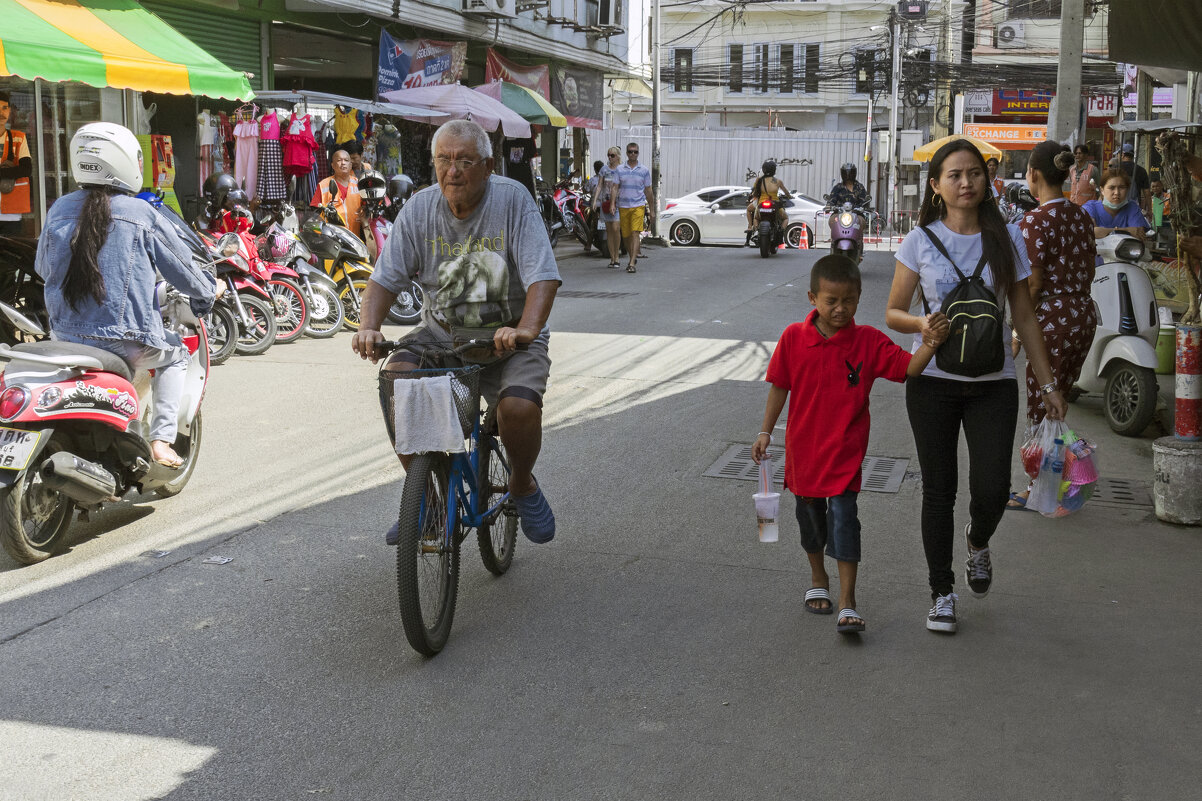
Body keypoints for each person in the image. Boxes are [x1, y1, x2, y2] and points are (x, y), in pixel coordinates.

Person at [885, 138, 1067, 635]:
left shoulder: (1006, 239)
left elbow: (1025, 316)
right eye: (955, 175)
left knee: (991, 489)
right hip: (933, 384)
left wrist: (1048, 383)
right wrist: (922, 325)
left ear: (986, 181)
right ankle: (941, 591)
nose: (966, 183)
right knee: (938, 491)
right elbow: (893, 311)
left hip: (993, 384)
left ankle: (978, 539)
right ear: (936, 186)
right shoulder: (918, 240)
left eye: (974, 174)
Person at [351, 119, 562, 545]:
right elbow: (384, 279)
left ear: (487, 165)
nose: (453, 170)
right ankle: (426, 500)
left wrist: (526, 330)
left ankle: (521, 484)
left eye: (465, 161)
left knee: (518, 410)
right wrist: (369, 327)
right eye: (444, 160)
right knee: (397, 378)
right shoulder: (419, 209)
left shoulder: (512, 200)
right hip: (442, 333)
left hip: (508, 336)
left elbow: (544, 276)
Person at [752, 255, 947, 635]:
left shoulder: (868, 342)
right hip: (803, 455)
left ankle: (847, 600)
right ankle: (817, 576)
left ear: (859, 298)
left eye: (849, 301)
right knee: (810, 523)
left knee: (844, 522)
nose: (841, 309)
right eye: (831, 301)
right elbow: (780, 386)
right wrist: (765, 431)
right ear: (812, 298)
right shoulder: (794, 337)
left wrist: (932, 342)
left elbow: (908, 369)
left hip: (845, 455)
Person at [34, 123, 216, 468]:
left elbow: (44, 268)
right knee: (176, 354)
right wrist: (208, 292)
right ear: (126, 163)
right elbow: (185, 270)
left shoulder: (59, 208)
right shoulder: (141, 213)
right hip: (125, 342)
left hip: (64, 336)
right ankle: (162, 440)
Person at [1007, 142, 1099, 510]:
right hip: (1083, 315)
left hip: (1051, 320)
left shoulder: (1034, 221)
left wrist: (1017, 331)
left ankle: (1039, 487)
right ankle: (1054, 479)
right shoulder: (1081, 216)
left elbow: (1031, 283)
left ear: (1034, 175)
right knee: (1058, 399)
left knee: (1041, 401)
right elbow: (1090, 267)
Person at [1081, 169, 1149, 243]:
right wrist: (1127, 230)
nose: (1117, 192)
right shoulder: (1090, 207)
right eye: (1111, 188)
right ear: (1102, 190)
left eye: (1122, 187)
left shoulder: (1132, 207)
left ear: (1128, 190)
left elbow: (1139, 234)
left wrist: (1104, 231)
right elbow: (1091, 233)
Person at [616, 141, 653, 273]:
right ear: (626, 153)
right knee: (626, 235)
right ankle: (632, 255)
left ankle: (632, 263)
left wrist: (652, 211)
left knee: (635, 233)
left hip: (638, 205)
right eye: (630, 152)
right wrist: (612, 204)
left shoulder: (644, 170)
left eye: (635, 152)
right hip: (623, 205)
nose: (633, 154)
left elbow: (648, 190)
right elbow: (615, 187)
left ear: (638, 153)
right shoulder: (620, 169)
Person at [311, 149, 364, 239]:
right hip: (331, 240)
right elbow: (315, 214)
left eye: (346, 160)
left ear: (350, 165)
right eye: (339, 160)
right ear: (333, 165)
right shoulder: (323, 185)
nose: (343, 163)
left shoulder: (359, 184)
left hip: (356, 240)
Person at [0, 91, 33, 236]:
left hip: (11, 212)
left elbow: (26, 169)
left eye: (5, 108)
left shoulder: (19, 137)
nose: (1, 113)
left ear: (10, 111)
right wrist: (12, 170)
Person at [744, 160, 790, 247]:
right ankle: (781, 232)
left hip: (761, 203)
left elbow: (754, 192)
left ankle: (752, 227)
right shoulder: (778, 181)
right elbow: (786, 192)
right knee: (785, 218)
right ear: (774, 170)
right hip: (775, 204)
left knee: (756, 217)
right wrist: (789, 196)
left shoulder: (759, 180)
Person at [593, 148, 622, 268]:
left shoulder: (622, 169)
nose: (610, 157)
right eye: (608, 155)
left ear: (618, 156)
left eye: (612, 155)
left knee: (616, 228)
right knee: (609, 230)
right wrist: (595, 200)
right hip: (605, 203)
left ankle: (617, 256)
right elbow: (599, 186)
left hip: (618, 203)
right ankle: (613, 258)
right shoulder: (604, 169)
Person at [1118, 142, 1151, 218]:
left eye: (1118, 154)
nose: (1118, 156)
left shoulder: (1115, 169)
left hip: (1117, 207)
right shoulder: (1141, 170)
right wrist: (1149, 210)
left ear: (1122, 155)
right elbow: (1147, 193)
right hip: (1134, 208)